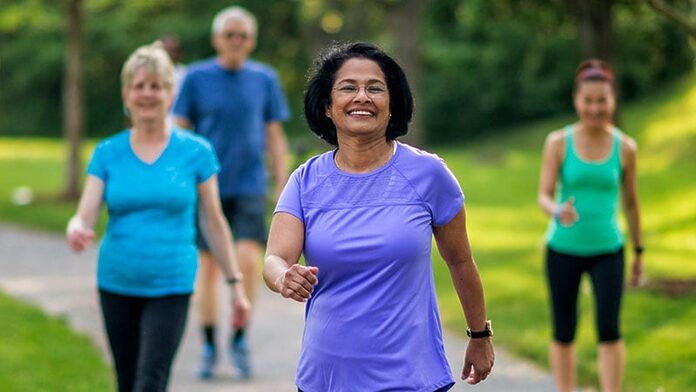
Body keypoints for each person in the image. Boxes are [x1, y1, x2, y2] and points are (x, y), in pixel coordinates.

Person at [263, 42, 495, 391]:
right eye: (348, 88)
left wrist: (480, 335)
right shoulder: (305, 180)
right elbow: (275, 259)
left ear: (391, 105)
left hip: (411, 377)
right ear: (327, 107)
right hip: (326, 376)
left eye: (375, 88)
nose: (362, 97)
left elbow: (461, 261)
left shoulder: (428, 174)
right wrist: (284, 277)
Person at [66, 42, 250, 392]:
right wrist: (76, 229)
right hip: (116, 282)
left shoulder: (196, 152)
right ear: (126, 94)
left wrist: (235, 286)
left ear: (171, 93)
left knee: (150, 380)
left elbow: (214, 221)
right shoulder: (107, 152)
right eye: (139, 86)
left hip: (172, 282)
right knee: (126, 381)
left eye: (156, 86)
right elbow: (84, 215)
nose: (147, 94)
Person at [172, 5, 290, 380]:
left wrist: (283, 185)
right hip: (206, 188)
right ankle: (209, 343)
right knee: (207, 268)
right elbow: (179, 131)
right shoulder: (195, 77)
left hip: (250, 185)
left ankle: (239, 335)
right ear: (216, 39)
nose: (236, 41)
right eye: (229, 35)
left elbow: (274, 135)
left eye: (242, 36)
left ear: (251, 41)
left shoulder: (264, 79)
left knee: (248, 262)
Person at [537, 59, 644, 392]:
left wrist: (639, 251)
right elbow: (543, 194)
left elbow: (631, 203)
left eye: (602, 100)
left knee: (609, 329)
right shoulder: (557, 142)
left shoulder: (626, 148)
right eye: (588, 100)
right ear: (576, 100)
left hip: (608, 249)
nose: (595, 108)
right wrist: (557, 210)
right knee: (564, 330)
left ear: (612, 101)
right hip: (562, 249)